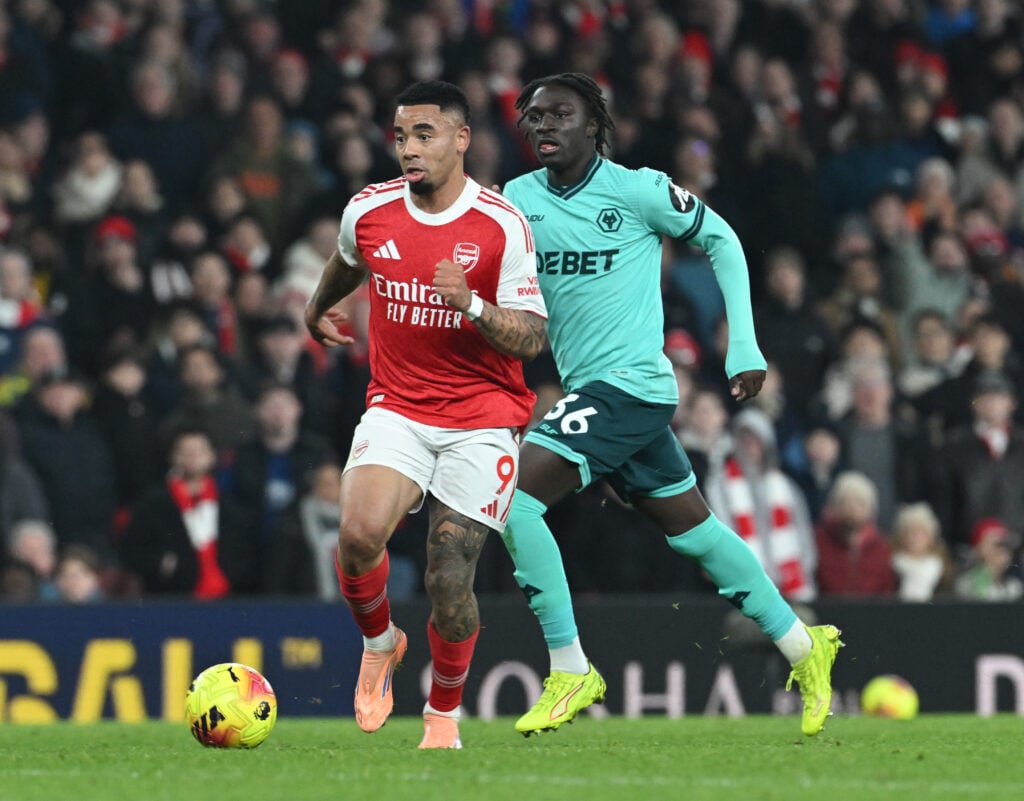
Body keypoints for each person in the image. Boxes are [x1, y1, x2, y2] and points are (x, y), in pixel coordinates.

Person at [499, 73, 842, 739]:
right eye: (535, 116)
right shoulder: (516, 203)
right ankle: (806, 645)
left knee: (515, 499)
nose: (544, 126)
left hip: (633, 385)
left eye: (560, 114)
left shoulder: (639, 189)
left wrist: (742, 342)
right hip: (590, 392)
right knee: (697, 533)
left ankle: (570, 667)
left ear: (594, 125)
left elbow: (724, 241)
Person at [302, 80, 547, 749]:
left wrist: (471, 305)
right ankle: (381, 642)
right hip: (400, 406)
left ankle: (442, 713)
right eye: (402, 135)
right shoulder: (370, 210)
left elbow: (532, 335)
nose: (409, 149)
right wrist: (315, 306)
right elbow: (348, 262)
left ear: (461, 139)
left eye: (425, 134)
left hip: (484, 414)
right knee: (354, 537)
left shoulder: (500, 224)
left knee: (447, 574)